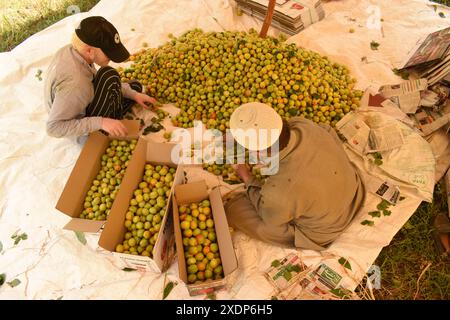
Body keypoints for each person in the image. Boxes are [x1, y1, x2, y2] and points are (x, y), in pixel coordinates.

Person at [224, 102, 366, 251]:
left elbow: (269, 217)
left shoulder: (278, 192)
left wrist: (246, 176)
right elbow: (326, 130)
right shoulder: (302, 125)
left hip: (326, 229)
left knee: (234, 210)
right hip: (354, 191)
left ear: (257, 152)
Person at [44, 16, 156, 139]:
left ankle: (116, 113)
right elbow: (53, 127)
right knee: (109, 75)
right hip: (75, 122)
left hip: (76, 100)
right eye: (108, 52)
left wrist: (134, 95)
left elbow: (93, 80)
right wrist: (102, 122)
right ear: (89, 51)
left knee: (134, 87)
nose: (111, 57)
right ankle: (111, 123)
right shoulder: (76, 83)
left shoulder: (75, 51)